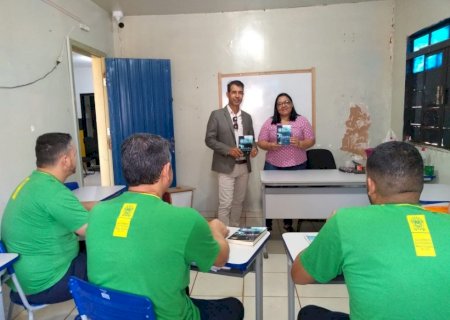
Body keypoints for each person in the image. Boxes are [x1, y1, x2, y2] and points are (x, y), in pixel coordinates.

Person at [87, 133, 244, 320]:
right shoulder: (186, 219)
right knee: (234, 307)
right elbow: (220, 259)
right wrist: (216, 229)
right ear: (166, 170)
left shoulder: (97, 213)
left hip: (108, 314)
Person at [291, 141, 450, 320]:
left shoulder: (345, 221)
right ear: (421, 183)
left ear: (370, 185)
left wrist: (328, 229)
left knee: (308, 313)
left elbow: (299, 275)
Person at [1, 132, 89, 304]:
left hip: (21, 283)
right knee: (109, 254)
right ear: (65, 160)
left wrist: (95, 206)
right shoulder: (54, 192)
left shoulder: (31, 183)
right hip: (47, 284)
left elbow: (59, 208)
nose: (76, 157)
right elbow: (92, 230)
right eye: (73, 154)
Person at [257, 93, 315, 232]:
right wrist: (270, 145)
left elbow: (311, 140)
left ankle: (288, 223)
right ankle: (268, 223)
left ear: (292, 104)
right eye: (280, 103)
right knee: (269, 194)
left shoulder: (301, 121)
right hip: (273, 164)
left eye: (286, 102)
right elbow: (260, 142)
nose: (283, 105)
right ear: (276, 107)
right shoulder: (270, 122)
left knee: (291, 195)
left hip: (297, 164)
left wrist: (300, 143)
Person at [205, 80, 258, 227]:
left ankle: (234, 230)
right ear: (228, 94)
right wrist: (229, 150)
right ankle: (223, 235)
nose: (237, 95)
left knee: (238, 202)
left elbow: (252, 139)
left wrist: (254, 148)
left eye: (240, 92)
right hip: (225, 165)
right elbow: (209, 140)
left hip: (243, 167)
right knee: (225, 204)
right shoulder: (216, 115)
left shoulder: (247, 117)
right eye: (234, 92)